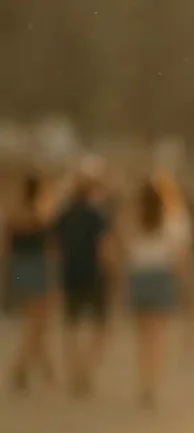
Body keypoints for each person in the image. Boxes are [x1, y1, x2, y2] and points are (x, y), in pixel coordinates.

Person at [124, 180, 192, 408]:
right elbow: (179, 257)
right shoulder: (172, 222)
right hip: (161, 277)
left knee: (142, 336)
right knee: (158, 336)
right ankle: (152, 385)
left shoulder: (132, 222)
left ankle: (143, 382)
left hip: (139, 277)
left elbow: (126, 251)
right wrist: (184, 284)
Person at [52, 161, 115, 397]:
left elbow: (55, 247)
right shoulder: (97, 215)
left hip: (70, 273)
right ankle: (86, 369)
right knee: (101, 326)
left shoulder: (63, 214)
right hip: (94, 275)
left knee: (71, 325)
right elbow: (104, 249)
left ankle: (74, 370)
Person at [3, 172, 56, 393]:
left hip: (18, 266)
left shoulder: (14, 213)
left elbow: (6, 245)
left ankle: (42, 365)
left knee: (34, 320)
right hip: (35, 266)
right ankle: (22, 365)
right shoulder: (39, 213)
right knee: (37, 321)